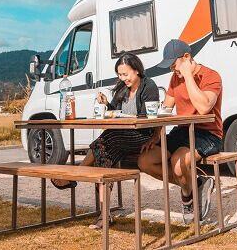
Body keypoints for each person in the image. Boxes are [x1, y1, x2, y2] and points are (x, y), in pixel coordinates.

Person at [51, 52, 159, 229]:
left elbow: (153, 117)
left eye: (125, 74)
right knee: (103, 152)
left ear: (137, 71)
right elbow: (115, 113)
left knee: (107, 139)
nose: (122, 78)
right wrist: (106, 104)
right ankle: (103, 213)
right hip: (120, 137)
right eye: (119, 74)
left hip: (141, 135)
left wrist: (155, 136)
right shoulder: (123, 89)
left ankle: (76, 175)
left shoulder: (149, 86)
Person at [137, 39, 223, 224]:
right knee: (145, 160)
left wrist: (188, 75)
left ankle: (186, 196)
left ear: (187, 57)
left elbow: (203, 108)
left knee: (178, 165)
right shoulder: (175, 78)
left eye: (173, 65)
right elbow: (166, 109)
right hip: (183, 130)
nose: (172, 70)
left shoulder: (210, 76)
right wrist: (156, 135)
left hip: (208, 134)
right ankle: (197, 184)